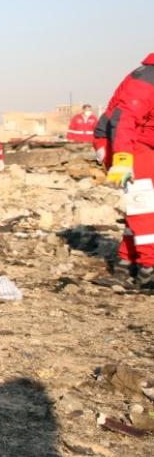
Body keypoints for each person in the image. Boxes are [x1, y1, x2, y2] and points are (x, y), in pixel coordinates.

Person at [98, 53, 154, 288]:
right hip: (124, 143)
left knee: (141, 209)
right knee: (144, 207)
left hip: (142, 142)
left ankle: (125, 262)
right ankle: (148, 270)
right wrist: (122, 159)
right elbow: (124, 120)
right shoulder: (147, 78)